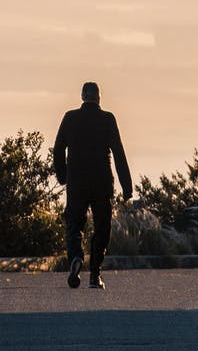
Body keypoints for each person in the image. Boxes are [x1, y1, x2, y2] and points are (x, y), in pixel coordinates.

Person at [53, 81, 132, 289]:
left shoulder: (70, 118)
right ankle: (95, 274)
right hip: (101, 183)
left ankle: (75, 259)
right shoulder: (107, 119)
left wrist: (63, 176)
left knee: (74, 225)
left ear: (82, 96)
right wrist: (127, 187)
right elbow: (119, 153)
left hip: (76, 182)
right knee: (102, 228)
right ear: (98, 98)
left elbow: (58, 148)